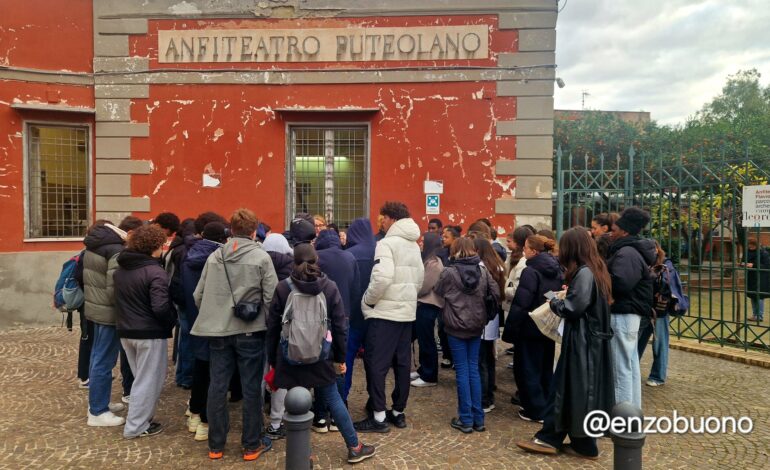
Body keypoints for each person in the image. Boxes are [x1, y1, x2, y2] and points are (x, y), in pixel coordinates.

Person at [266, 244, 376, 464]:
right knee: (334, 399)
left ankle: (303, 455)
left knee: (295, 403)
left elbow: (273, 327)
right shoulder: (329, 286)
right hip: (322, 356)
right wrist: (340, 358)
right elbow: (340, 326)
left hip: (290, 355)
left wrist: (273, 360)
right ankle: (355, 446)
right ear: (317, 260)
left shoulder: (282, 288)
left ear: (293, 261)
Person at [516, 227, 614, 459]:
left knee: (564, 389)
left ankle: (550, 438)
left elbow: (572, 308)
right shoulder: (596, 269)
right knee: (578, 392)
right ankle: (584, 444)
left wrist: (553, 300)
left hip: (582, 343)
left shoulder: (585, 273)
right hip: (591, 342)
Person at [191, 208, 278, 461]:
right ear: (254, 231)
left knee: (217, 386)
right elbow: (271, 298)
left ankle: (216, 445)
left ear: (231, 230)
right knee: (251, 388)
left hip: (218, 331)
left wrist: (216, 315)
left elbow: (198, 295)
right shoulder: (261, 257)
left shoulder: (215, 256)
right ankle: (251, 444)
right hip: (250, 330)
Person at [354, 202, 424, 433]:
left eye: (382, 218)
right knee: (402, 365)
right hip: (406, 313)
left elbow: (381, 278)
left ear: (391, 218)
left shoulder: (386, 244)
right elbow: (420, 279)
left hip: (384, 313)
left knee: (376, 364)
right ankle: (398, 411)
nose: (380, 222)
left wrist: (368, 301)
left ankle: (378, 415)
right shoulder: (413, 245)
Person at [114, 224, 177, 439]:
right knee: (148, 381)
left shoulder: (121, 269)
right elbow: (160, 307)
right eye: (161, 245)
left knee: (140, 379)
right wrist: (171, 321)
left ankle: (141, 420)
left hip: (126, 330)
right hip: (149, 332)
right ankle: (136, 426)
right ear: (154, 246)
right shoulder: (155, 272)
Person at [434, 238, 500, 433]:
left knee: (463, 371)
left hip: (455, 326)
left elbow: (438, 292)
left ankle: (466, 419)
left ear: (455, 250)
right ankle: (478, 419)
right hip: (476, 325)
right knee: (473, 370)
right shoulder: (483, 271)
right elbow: (495, 293)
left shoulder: (449, 272)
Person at [503, 235, 563, 423]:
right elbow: (550, 294)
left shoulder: (530, 271)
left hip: (530, 326)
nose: (523, 251)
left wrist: (511, 329)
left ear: (534, 251)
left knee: (528, 368)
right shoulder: (555, 268)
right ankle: (545, 405)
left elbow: (522, 302)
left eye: (526, 248)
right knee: (545, 367)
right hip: (546, 325)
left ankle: (535, 409)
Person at [182, 219, 228, 442]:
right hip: (214, 319)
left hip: (194, 318)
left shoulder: (188, 254)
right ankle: (205, 422)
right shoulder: (217, 258)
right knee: (213, 373)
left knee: (201, 366)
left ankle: (194, 412)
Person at [607, 207, 656, 409]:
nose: (611, 233)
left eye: (614, 230)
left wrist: (600, 279)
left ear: (625, 231)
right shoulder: (630, 250)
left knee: (621, 368)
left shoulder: (627, 252)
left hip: (624, 313)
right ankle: (632, 411)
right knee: (629, 365)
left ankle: (622, 416)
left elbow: (621, 283)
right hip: (628, 313)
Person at [313, 229, 360, 432]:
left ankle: (320, 417)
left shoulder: (317, 257)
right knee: (340, 364)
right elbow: (356, 290)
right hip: (343, 316)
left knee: (320, 364)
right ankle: (337, 416)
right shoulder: (349, 257)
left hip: (320, 318)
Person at [83, 220, 128, 427]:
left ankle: (98, 402)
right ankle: (98, 411)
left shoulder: (94, 245)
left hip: (96, 309)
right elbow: (114, 288)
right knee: (104, 360)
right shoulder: (115, 250)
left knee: (97, 357)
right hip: (109, 313)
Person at [261, 232, 294, 440]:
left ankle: (261, 417)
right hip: (285, 328)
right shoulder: (292, 268)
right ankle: (278, 418)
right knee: (280, 373)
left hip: (260, 324)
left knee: (261, 370)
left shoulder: (259, 262)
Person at [342, 218, 376, 403]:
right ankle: (375, 402)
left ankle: (342, 399)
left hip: (352, 315)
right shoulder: (380, 251)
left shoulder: (349, 254)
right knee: (375, 361)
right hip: (375, 315)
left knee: (346, 358)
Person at [637, 242, 678, 387]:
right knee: (638, 341)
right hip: (644, 307)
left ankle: (658, 376)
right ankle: (632, 370)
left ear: (657, 249)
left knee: (659, 343)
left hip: (660, 309)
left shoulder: (666, 264)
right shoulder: (643, 261)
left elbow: (668, 284)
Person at [474, 238, 506, 413]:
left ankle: (485, 399)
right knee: (488, 358)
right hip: (493, 316)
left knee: (482, 361)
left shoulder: (484, 267)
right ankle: (489, 391)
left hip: (485, 316)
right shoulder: (497, 265)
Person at [411, 231, 444, 387]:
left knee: (427, 341)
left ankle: (430, 376)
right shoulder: (428, 260)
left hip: (428, 305)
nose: (420, 243)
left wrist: (413, 291)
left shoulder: (435, 264)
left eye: (423, 241)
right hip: (423, 304)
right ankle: (423, 369)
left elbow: (424, 286)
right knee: (423, 340)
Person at [437, 225, 462, 368]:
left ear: (455, 239)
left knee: (455, 329)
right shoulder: (441, 253)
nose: (443, 239)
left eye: (446, 237)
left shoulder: (460, 255)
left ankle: (455, 357)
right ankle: (447, 355)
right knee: (442, 327)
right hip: (443, 297)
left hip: (456, 297)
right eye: (443, 236)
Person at [744, 236, 770, 322]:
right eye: (749, 245)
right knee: (752, 296)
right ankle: (755, 314)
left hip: (761, 278)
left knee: (759, 296)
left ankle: (759, 316)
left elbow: (767, 265)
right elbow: (744, 260)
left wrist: (753, 265)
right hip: (751, 276)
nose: (750, 247)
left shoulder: (763, 253)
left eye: (751, 246)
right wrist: (743, 264)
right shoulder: (747, 252)